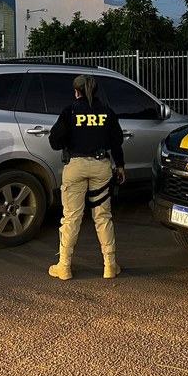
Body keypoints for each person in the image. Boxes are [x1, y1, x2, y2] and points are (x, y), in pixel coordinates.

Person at [47, 74, 126, 280]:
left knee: (72, 218)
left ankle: (64, 266)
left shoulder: (70, 111)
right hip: (101, 167)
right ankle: (110, 265)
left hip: (76, 168)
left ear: (76, 91)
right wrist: (120, 166)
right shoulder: (107, 112)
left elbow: (55, 142)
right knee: (103, 217)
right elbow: (117, 142)